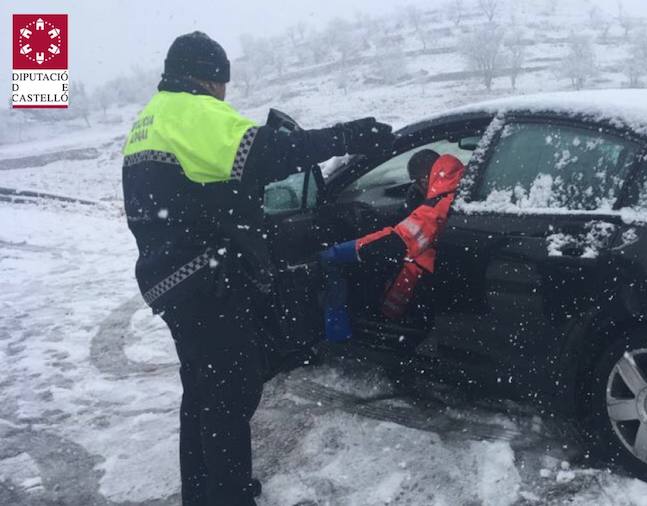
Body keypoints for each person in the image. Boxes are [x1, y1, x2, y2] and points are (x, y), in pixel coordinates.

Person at [121, 31, 393, 506]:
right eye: (223, 82)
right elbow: (267, 153)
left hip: (171, 280)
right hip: (205, 279)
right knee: (229, 396)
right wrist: (346, 137)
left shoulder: (151, 119)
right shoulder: (192, 112)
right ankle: (228, 496)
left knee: (203, 394)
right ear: (209, 78)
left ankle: (204, 492)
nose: (225, 94)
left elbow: (203, 190)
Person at [319, 151, 466, 341]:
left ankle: (390, 333)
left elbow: (401, 240)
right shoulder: (453, 185)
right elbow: (408, 221)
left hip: (442, 273)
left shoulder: (440, 203)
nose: (417, 188)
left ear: (426, 178)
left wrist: (344, 251)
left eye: (418, 181)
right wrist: (376, 221)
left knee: (405, 269)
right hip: (453, 262)